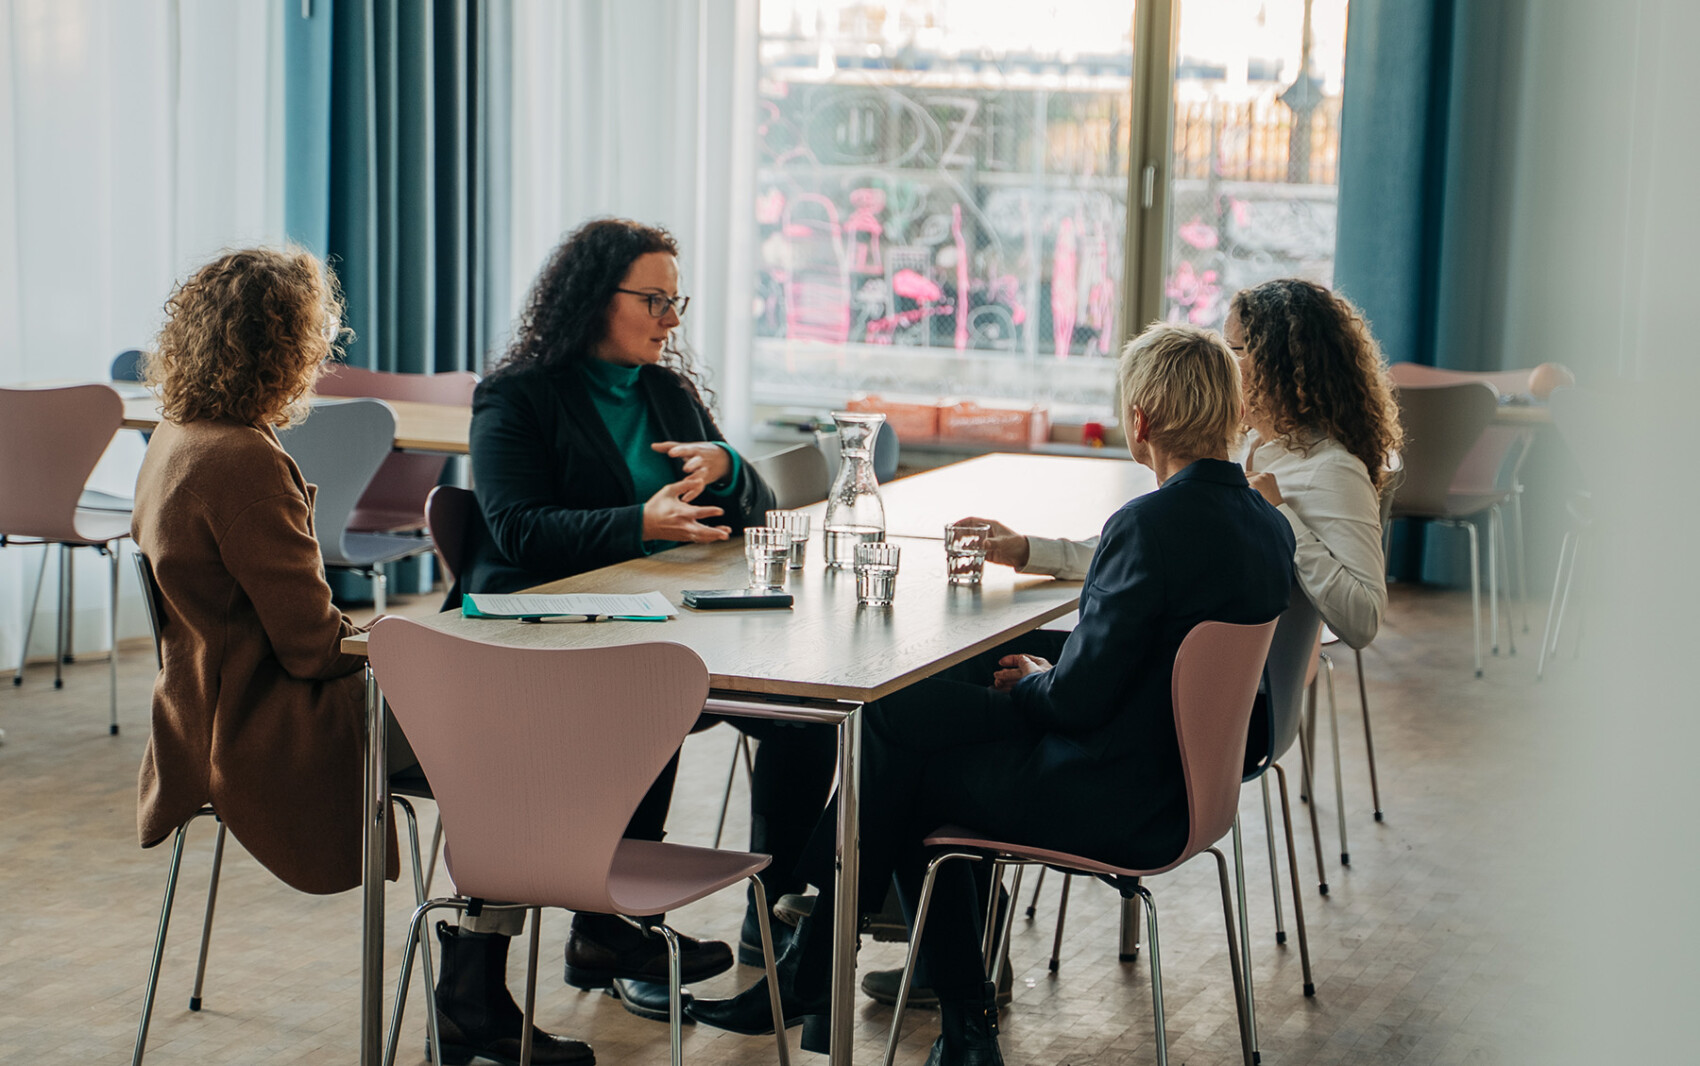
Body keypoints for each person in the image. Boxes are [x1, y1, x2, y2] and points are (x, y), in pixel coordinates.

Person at [688, 323, 1296, 1066]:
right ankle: (903, 1002)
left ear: (1139, 421)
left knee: (898, 736)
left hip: (1114, 795)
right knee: (926, 708)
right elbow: (1167, 652)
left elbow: (1076, 705)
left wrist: (1042, 679)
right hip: (1185, 783)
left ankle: (844, 973)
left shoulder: (1146, 527)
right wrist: (1044, 662)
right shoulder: (1267, 525)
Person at [133, 248, 593, 1064]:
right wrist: (405, 643)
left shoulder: (179, 436)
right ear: (288, 347)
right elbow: (312, 649)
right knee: (526, 736)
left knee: (494, 719)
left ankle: (474, 989)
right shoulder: (242, 458)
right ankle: (472, 993)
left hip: (199, 704)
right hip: (270, 718)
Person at [458, 218, 837, 1018]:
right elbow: (518, 528)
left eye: (677, 301)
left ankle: (774, 910)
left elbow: (757, 513)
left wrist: (732, 468)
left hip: (664, 625)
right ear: (597, 299)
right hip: (546, 637)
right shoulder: (517, 397)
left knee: (809, 722)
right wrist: (640, 523)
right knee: (648, 694)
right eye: (655, 300)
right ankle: (613, 922)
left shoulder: (666, 392)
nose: (671, 320)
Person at [969, 277, 1398, 651]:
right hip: (1192, 664)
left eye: (1233, 349)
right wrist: (1029, 550)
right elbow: (1146, 557)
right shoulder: (1239, 444)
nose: (1222, 364)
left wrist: (1284, 516)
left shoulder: (1331, 470)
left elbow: (1362, 622)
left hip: (1239, 689)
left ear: (1281, 366)